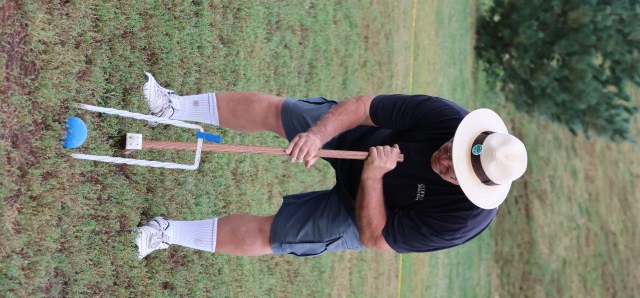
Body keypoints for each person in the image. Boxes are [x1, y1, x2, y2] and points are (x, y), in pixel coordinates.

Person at [134, 72, 528, 259]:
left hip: (366, 214)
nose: (444, 157)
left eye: (452, 167)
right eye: (452, 148)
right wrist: (318, 136)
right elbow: (363, 107)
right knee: (282, 112)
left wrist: (373, 177)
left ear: (470, 187)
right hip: (360, 139)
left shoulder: (459, 219)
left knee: (277, 235)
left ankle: (167, 233)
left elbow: (376, 236)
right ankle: (173, 107)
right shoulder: (448, 118)